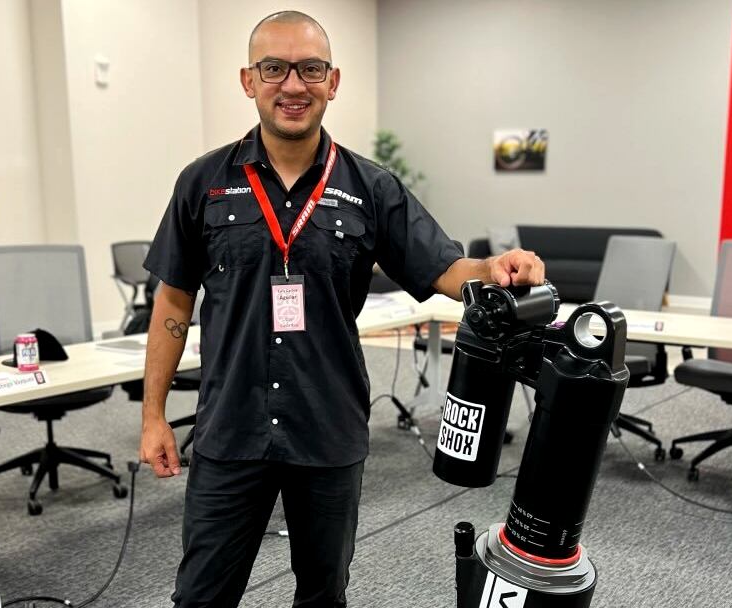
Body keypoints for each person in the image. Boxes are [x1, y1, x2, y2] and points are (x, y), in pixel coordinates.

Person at [139, 10, 545, 608]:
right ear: (249, 80)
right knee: (200, 596)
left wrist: (492, 269)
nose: (293, 85)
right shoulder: (202, 183)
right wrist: (153, 415)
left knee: (323, 595)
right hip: (230, 427)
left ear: (333, 81)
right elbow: (173, 298)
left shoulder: (372, 187)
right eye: (274, 68)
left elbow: (443, 269)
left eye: (310, 68)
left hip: (327, 428)